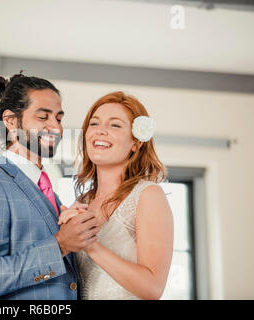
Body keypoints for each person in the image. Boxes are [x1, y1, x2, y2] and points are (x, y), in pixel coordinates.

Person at [0, 73, 100, 300]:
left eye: (59, 119)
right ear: (11, 122)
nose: (56, 127)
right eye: (43, 117)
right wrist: (60, 244)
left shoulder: (53, 195)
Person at [58, 91, 174, 300]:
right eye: (94, 124)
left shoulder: (148, 195)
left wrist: (90, 245)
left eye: (115, 125)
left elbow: (153, 288)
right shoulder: (81, 202)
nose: (100, 131)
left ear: (136, 143)